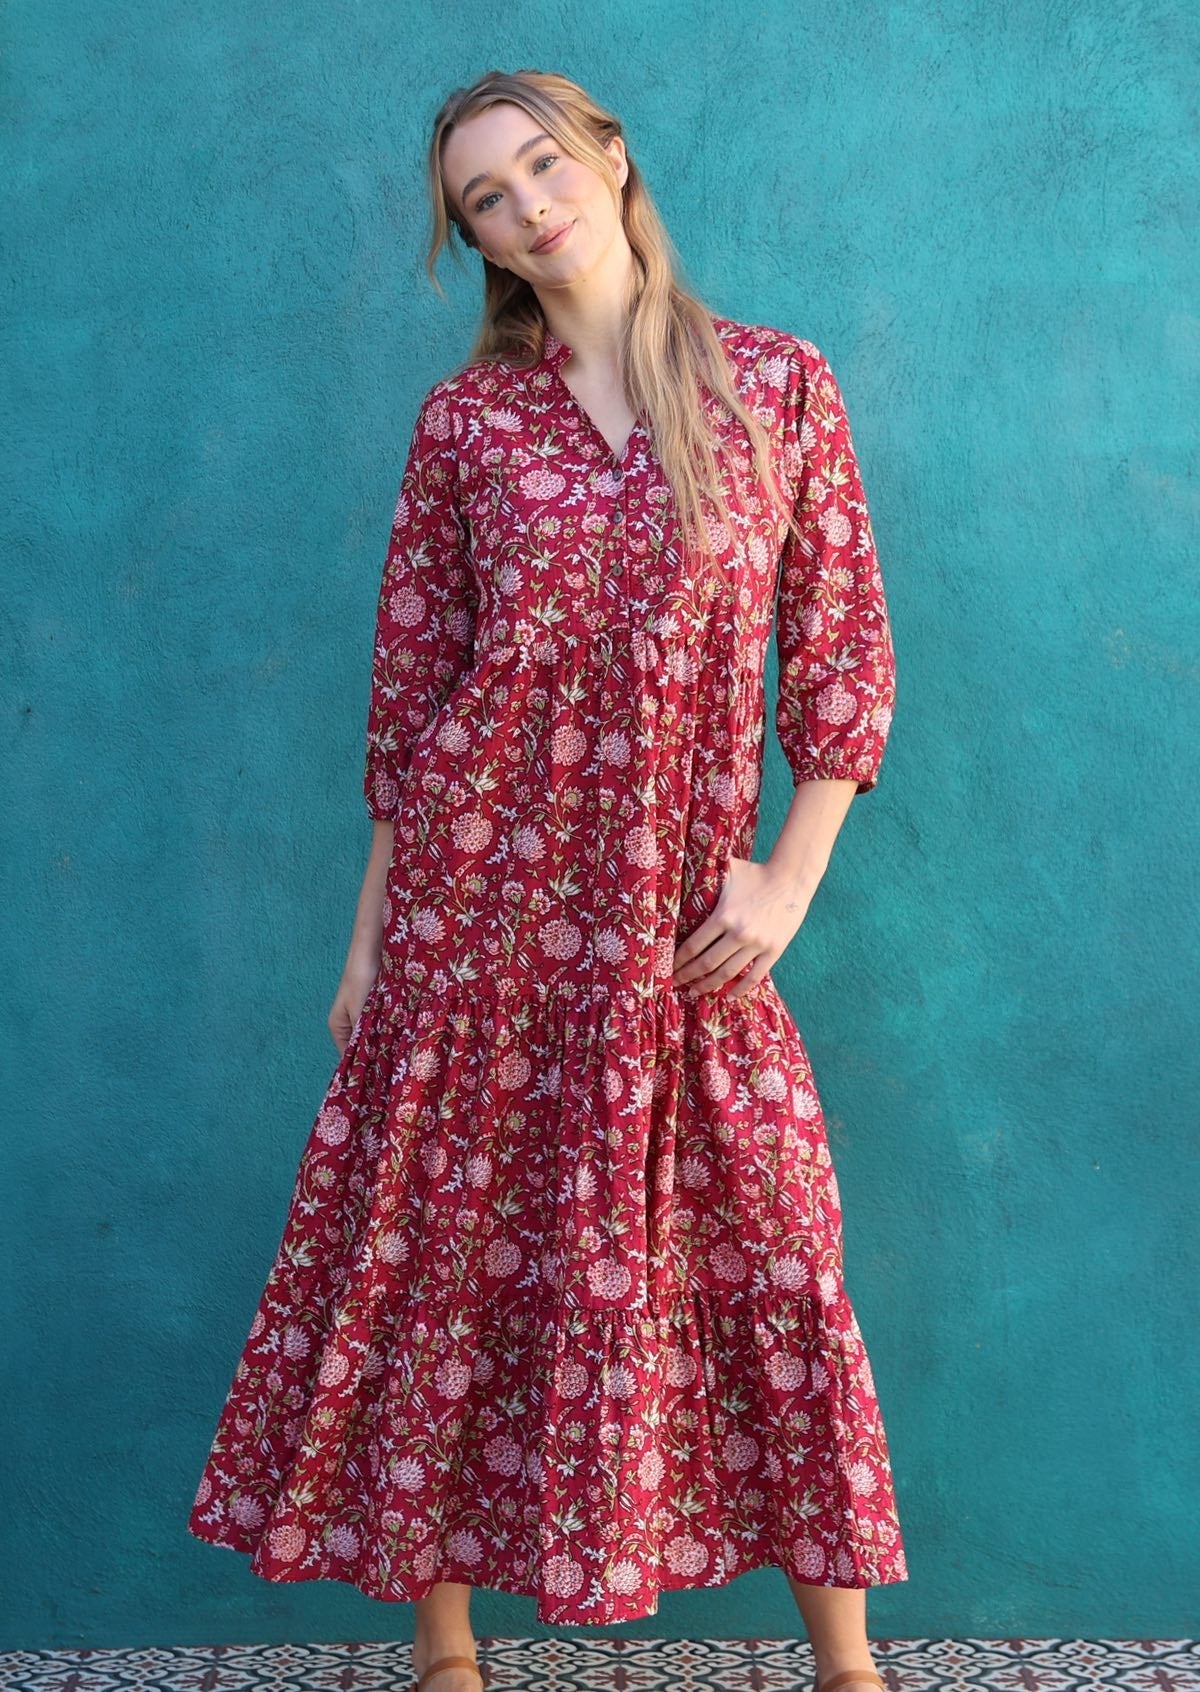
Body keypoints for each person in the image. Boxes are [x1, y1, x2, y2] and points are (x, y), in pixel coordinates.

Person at [188, 67, 908, 1692]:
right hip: (474, 919)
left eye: (540, 166)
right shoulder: (467, 426)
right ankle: (447, 1656)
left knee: (779, 1259)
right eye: (485, 201)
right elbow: (413, 699)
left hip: (676, 924)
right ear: (477, 243)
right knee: (441, 1272)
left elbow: (843, 660)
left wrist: (787, 881)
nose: (527, 207)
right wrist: (370, 944)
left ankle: (850, 1669)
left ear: (611, 155)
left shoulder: (779, 389)